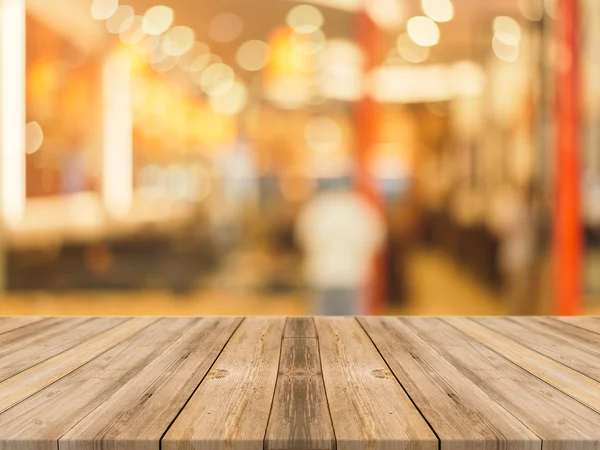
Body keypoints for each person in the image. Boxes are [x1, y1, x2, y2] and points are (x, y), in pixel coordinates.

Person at [295, 178, 386, 315]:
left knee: (320, 326)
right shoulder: (361, 206)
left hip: (322, 274)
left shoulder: (316, 207)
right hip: (354, 274)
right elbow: (377, 237)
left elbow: (303, 237)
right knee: (353, 326)